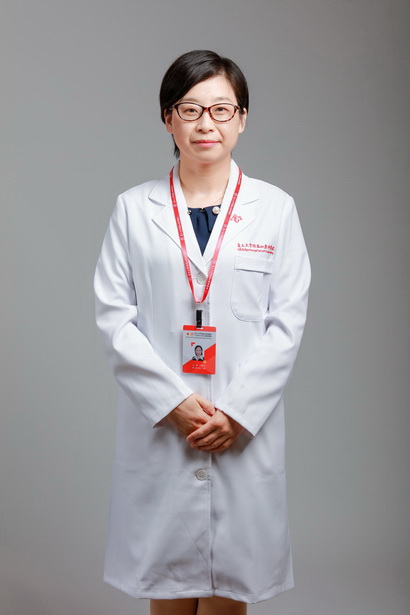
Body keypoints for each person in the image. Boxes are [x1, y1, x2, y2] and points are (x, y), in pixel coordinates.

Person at [94, 50, 310, 615]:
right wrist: (173, 403)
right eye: (190, 109)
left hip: (241, 427)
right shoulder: (133, 209)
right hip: (165, 427)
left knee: (229, 593)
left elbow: (287, 323)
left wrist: (236, 412)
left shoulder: (275, 209)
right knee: (167, 590)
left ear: (242, 119)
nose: (206, 123)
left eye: (221, 109)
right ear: (168, 119)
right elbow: (115, 318)